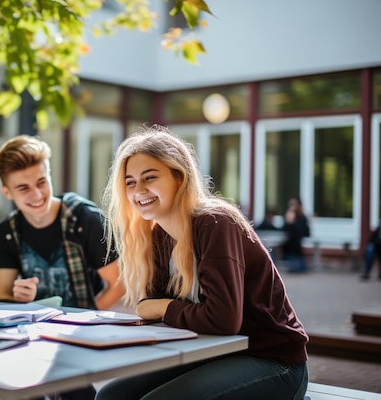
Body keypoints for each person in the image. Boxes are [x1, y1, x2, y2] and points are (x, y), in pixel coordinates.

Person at [97, 126, 309, 400]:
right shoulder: (159, 235)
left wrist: (164, 307)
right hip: (213, 353)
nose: (139, 190)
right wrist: (159, 309)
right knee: (111, 396)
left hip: (273, 361)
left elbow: (222, 319)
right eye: (130, 182)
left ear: (179, 177)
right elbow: (152, 310)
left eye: (150, 177)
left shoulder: (217, 222)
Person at [0, 135, 124, 400]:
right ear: (7, 192)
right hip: (32, 338)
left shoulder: (85, 219)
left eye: (42, 182)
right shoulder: (5, 234)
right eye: (24, 188)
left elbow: (120, 282)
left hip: (79, 337)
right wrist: (19, 298)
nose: (37, 194)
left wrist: (84, 320)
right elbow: (4, 296)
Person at [283, 197, 311, 273]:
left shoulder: (302, 217)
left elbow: (305, 231)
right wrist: (289, 221)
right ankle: (293, 265)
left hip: (298, 241)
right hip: (291, 242)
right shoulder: (288, 216)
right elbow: (284, 229)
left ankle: (299, 266)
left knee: (295, 242)